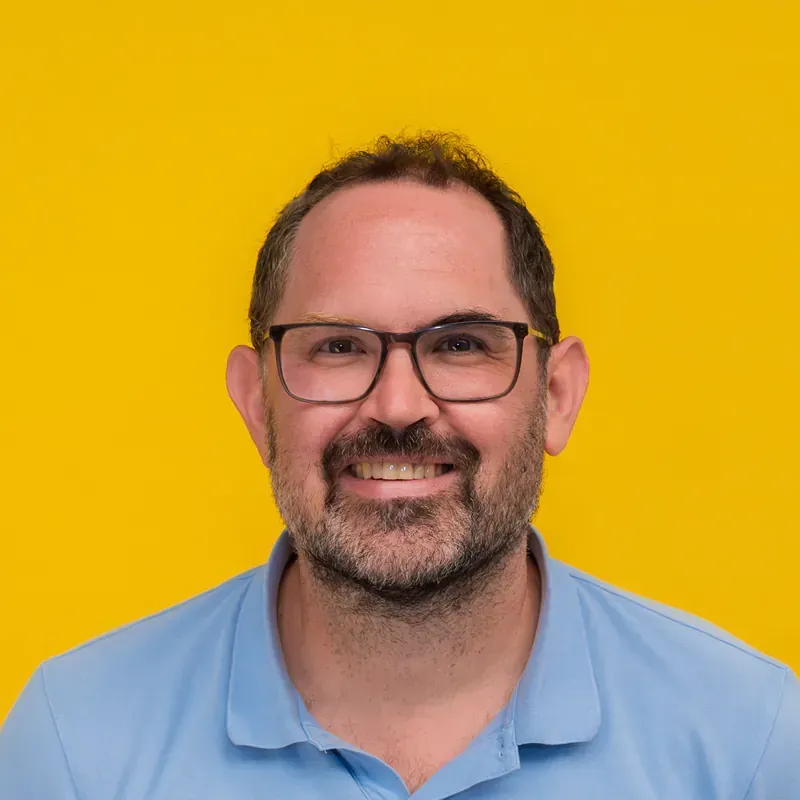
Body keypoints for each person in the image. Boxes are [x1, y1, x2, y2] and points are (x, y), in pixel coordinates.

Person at [1, 133, 797, 800]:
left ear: (555, 395)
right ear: (255, 401)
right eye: (338, 346)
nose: (396, 405)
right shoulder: (77, 747)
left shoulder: (748, 743)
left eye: (460, 345)